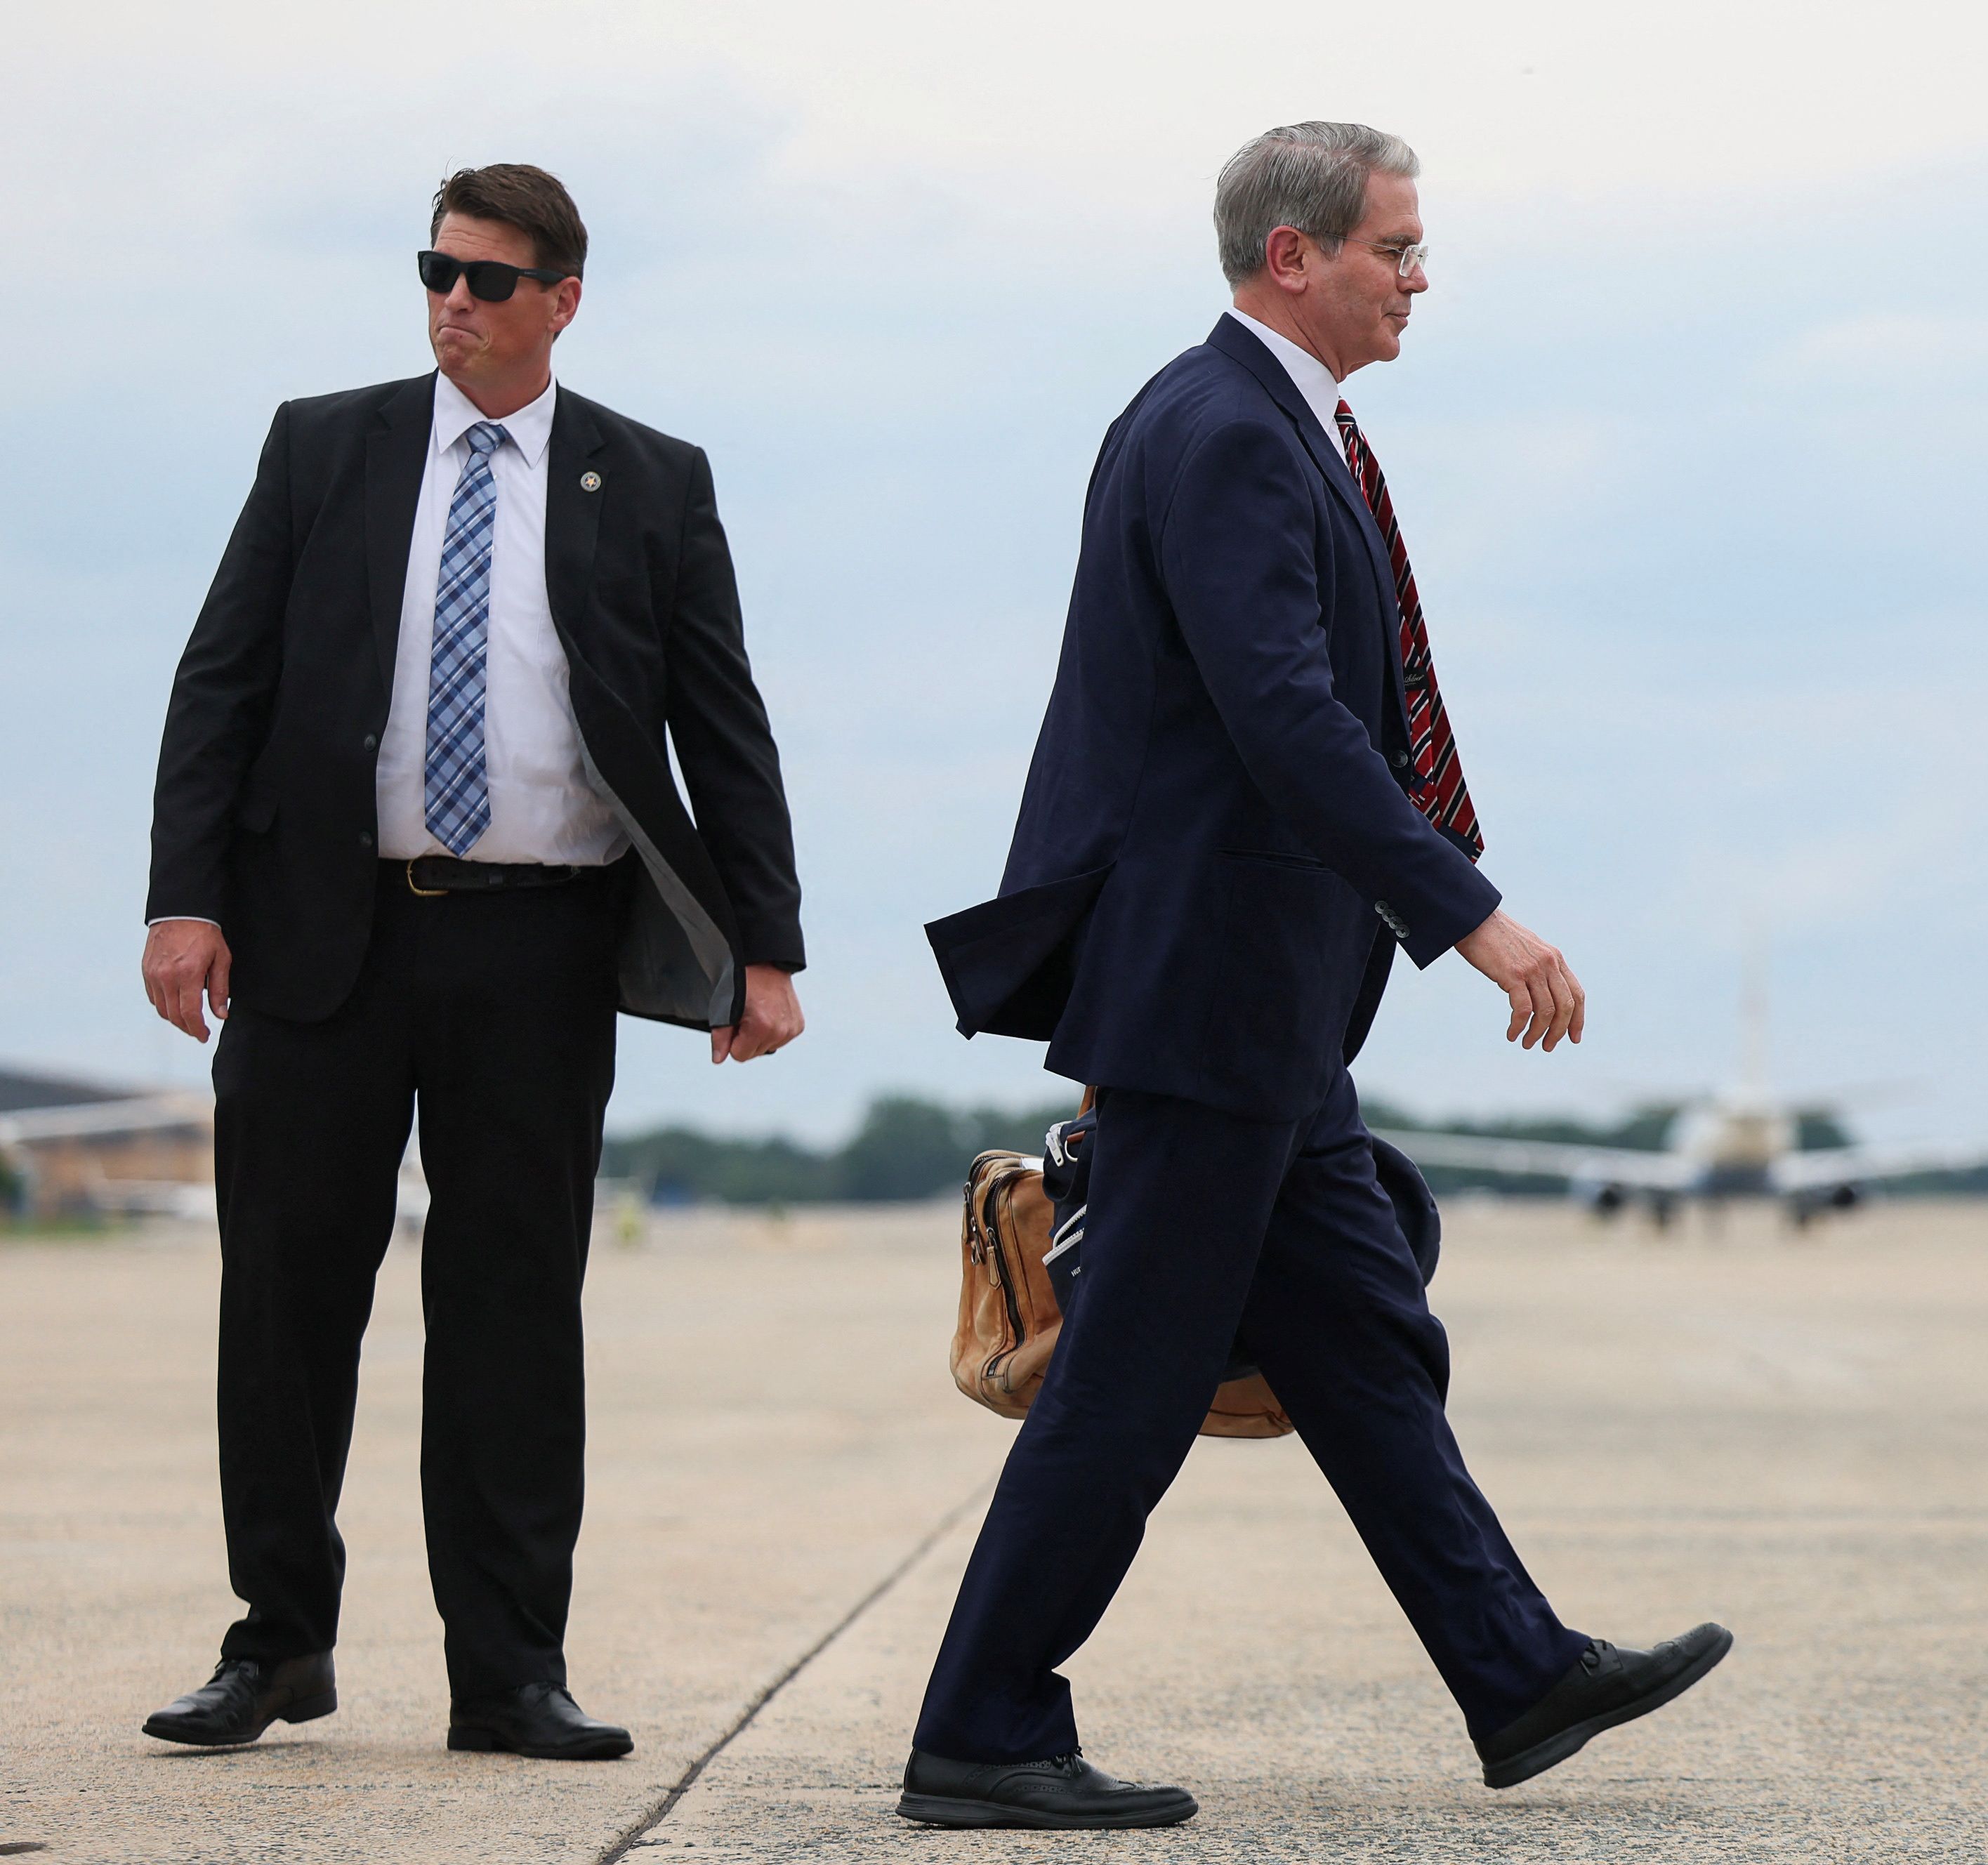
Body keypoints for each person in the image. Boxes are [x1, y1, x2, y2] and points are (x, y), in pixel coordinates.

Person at [908, 122, 1730, 1829]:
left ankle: (1516, 1666)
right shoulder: (1225, 429)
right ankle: (981, 1724)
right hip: (1213, 989)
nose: (1420, 279)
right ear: (1294, 256)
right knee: (1131, 1378)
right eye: (1394, 249)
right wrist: (1468, 911)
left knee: (1365, 1342)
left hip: (1263, 999)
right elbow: (1284, 714)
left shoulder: (1276, 424)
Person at [138, 164, 808, 1759]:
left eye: (488, 278)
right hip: (322, 935)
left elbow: (721, 722)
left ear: (561, 300)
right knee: (285, 1300)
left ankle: (508, 1673)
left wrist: (763, 949)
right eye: (435, 270)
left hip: (540, 948)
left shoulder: (652, 479)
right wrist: (183, 897)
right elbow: (220, 678)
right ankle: (276, 1642)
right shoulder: (322, 447)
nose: (453, 299)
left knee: (512, 1311)